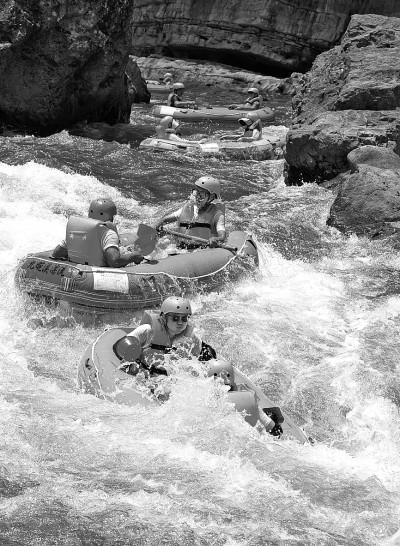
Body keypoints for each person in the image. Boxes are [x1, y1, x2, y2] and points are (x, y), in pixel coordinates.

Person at [114, 296, 217, 376]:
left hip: (171, 377)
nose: (180, 322)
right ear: (163, 318)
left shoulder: (190, 337)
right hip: (144, 371)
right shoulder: (147, 330)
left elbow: (202, 358)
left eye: (184, 318)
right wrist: (131, 364)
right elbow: (122, 345)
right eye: (175, 318)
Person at [52, 198, 144, 268]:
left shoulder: (76, 230)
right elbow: (114, 261)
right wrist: (133, 257)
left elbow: (56, 253)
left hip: (77, 270)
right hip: (96, 274)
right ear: (110, 216)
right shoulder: (109, 234)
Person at [153, 176, 226, 248]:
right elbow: (164, 220)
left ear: (211, 197)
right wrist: (155, 228)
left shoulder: (218, 215)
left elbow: (222, 236)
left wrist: (216, 239)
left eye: (201, 195)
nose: (197, 197)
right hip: (181, 246)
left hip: (202, 249)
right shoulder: (187, 208)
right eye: (196, 193)